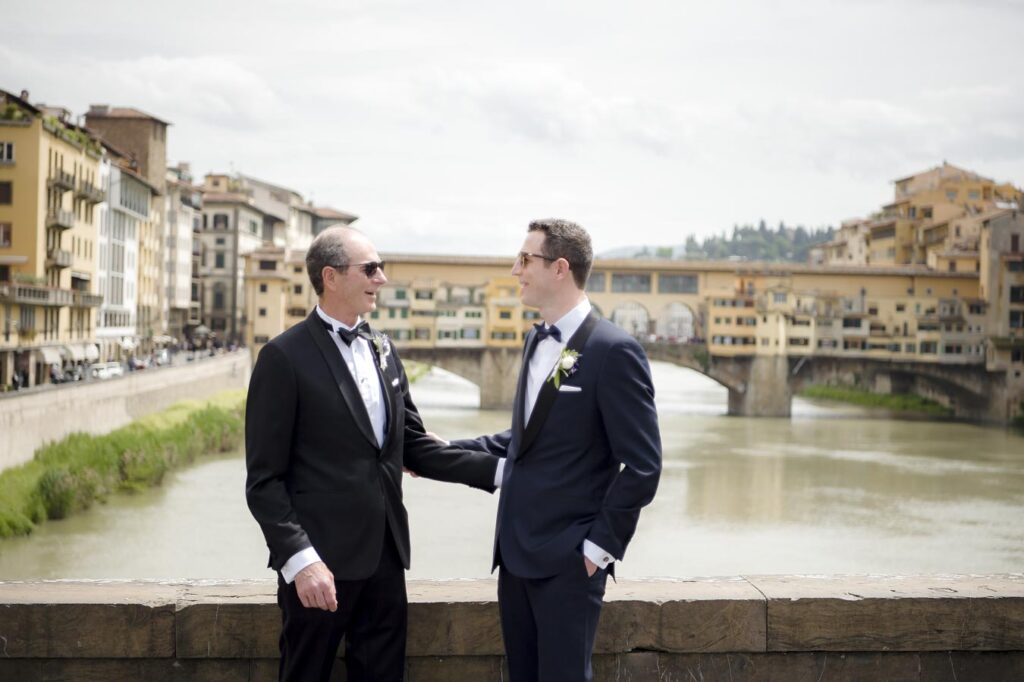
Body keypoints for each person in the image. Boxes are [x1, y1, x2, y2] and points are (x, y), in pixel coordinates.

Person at [245, 226, 500, 682]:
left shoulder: (383, 347)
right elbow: (263, 482)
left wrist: (503, 470)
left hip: (385, 559)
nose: (381, 278)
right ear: (331, 277)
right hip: (317, 567)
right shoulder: (283, 357)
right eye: (371, 268)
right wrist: (300, 561)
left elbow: (415, 446)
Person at [448, 219, 662, 682]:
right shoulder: (534, 339)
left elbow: (643, 465)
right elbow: (525, 440)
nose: (514, 269)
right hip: (515, 557)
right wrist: (439, 452)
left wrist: (596, 550)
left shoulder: (614, 350)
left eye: (525, 259)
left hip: (569, 565)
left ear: (560, 268)